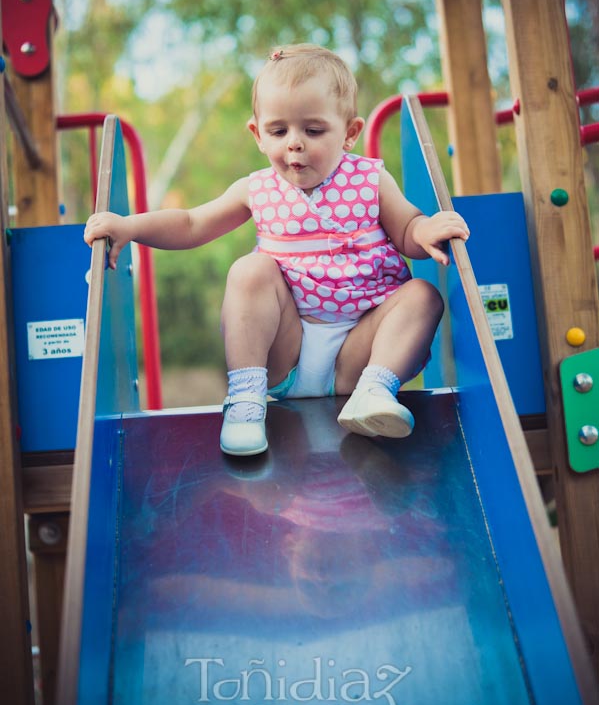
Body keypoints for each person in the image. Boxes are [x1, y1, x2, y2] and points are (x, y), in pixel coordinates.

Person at [84, 43, 469, 456]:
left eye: (314, 130)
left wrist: (426, 228)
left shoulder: (370, 180)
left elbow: (406, 228)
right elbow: (193, 224)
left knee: (423, 297)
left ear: (350, 133)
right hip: (289, 349)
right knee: (251, 270)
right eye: (279, 131)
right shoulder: (257, 189)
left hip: (361, 351)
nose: (295, 144)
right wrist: (130, 226)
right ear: (257, 134)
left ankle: (374, 394)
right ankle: (246, 401)